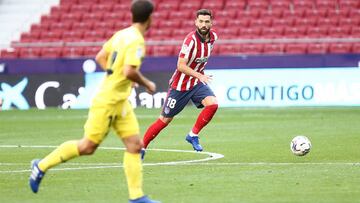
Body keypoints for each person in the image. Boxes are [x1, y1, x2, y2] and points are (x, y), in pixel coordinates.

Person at [29, 1, 160, 202]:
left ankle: (137, 197)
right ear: (150, 17)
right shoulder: (137, 41)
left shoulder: (122, 34)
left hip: (120, 101)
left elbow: (101, 57)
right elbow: (129, 71)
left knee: (134, 145)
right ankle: (41, 166)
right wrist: (147, 83)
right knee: (87, 147)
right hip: (108, 101)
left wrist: (116, 75)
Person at [142, 9, 218, 158]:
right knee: (164, 120)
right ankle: (142, 146)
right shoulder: (190, 41)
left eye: (207, 21)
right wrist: (199, 75)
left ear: (211, 23)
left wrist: (198, 76)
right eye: (201, 21)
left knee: (213, 104)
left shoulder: (213, 37)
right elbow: (180, 65)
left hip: (196, 83)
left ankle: (193, 135)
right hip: (180, 86)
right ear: (196, 22)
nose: (204, 24)